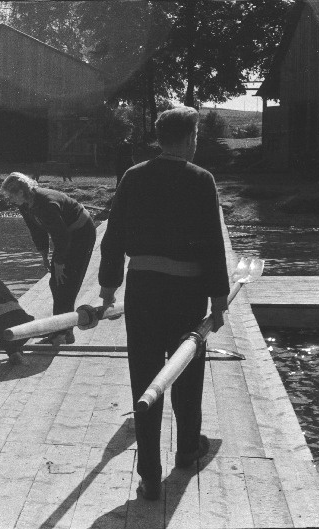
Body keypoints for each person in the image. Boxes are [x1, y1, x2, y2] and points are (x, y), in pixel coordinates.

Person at [98, 107, 230, 501]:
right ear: (190, 138)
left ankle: (150, 476)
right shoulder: (201, 179)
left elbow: (114, 236)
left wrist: (108, 288)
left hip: (143, 290)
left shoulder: (134, 176)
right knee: (185, 375)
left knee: (146, 377)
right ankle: (188, 451)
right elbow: (212, 243)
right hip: (186, 292)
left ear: (159, 138)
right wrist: (219, 300)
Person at [1, 172, 97, 345]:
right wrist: (44, 255)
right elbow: (37, 230)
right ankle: (62, 330)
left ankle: (62, 333)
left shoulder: (46, 203)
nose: (10, 199)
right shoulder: (25, 205)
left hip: (81, 233)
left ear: (21, 192)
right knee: (56, 283)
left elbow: (62, 237)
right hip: (66, 235)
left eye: (11, 195)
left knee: (65, 282)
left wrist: (59, 263)